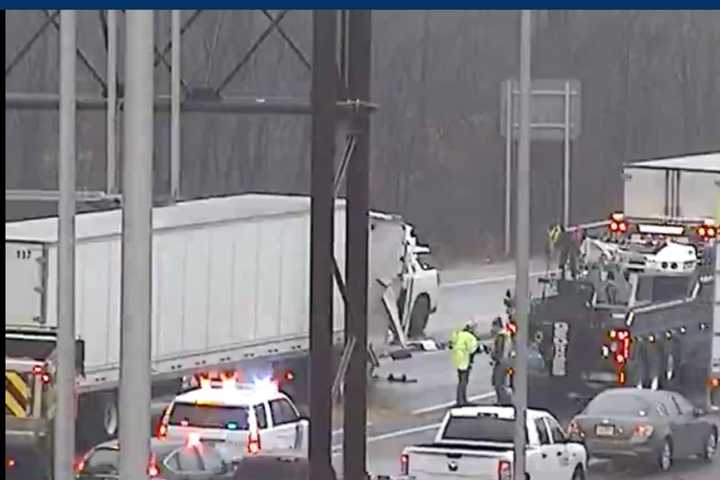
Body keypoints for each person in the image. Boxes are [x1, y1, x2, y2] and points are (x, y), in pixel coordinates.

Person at [450, 321, 480, 406]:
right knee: (463, 381)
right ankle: (461, 400)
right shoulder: (470, 337)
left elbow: (451, 344)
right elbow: (472, 349)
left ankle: (461, 399)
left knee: (461, 380)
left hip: (457, 360)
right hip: (465, 360)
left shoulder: (459, 334)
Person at [490, 317, 514, 405]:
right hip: (505, 362)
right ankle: (503, 400)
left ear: (497, 326)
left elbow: (499, 351)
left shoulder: (501, 336)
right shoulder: (505, 335)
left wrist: (493, 357)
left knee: (498, 383)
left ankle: (503, 401)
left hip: (501, 363)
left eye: (493, 326)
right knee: (500, 382)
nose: (492, 328)